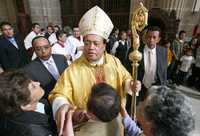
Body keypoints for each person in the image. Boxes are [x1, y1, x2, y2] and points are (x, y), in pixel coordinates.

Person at [48, 6, 141, 136]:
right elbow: (58, 94)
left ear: (104, 45)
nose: (91, 48)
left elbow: (125, 78)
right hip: (88, 126)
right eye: (87, 43)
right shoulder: (73, 70)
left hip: (114, 124)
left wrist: (130, 84)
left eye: (96, 43)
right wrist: (65, 107)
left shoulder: (114, 62)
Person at [0, 70, 57, 136]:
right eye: (33, 87)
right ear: (25, 105)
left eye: (32, 81)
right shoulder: (36, 132)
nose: (38, 83)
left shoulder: (28, 103)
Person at [136, 26, 168, 102]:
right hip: (140, 87)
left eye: (154, 37)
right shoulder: (136, 50)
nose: (151, 40)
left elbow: (164, 71)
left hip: (155, 87)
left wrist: (163, 86)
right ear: (145, 37)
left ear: (159, 39)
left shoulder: (163, 51)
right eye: (149, 37)